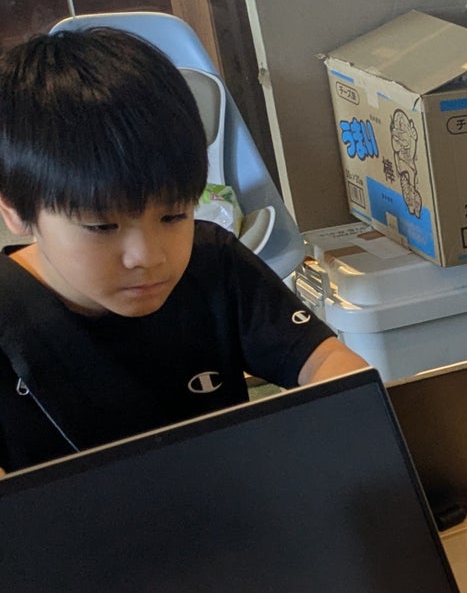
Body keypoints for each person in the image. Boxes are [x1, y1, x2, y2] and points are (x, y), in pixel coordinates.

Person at [0, 28, 366, 474]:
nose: (147, 256)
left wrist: (354, 413)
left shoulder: (213, 262)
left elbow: (324, 360)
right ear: (16, 210)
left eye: (173, 215)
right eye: (101, 226)